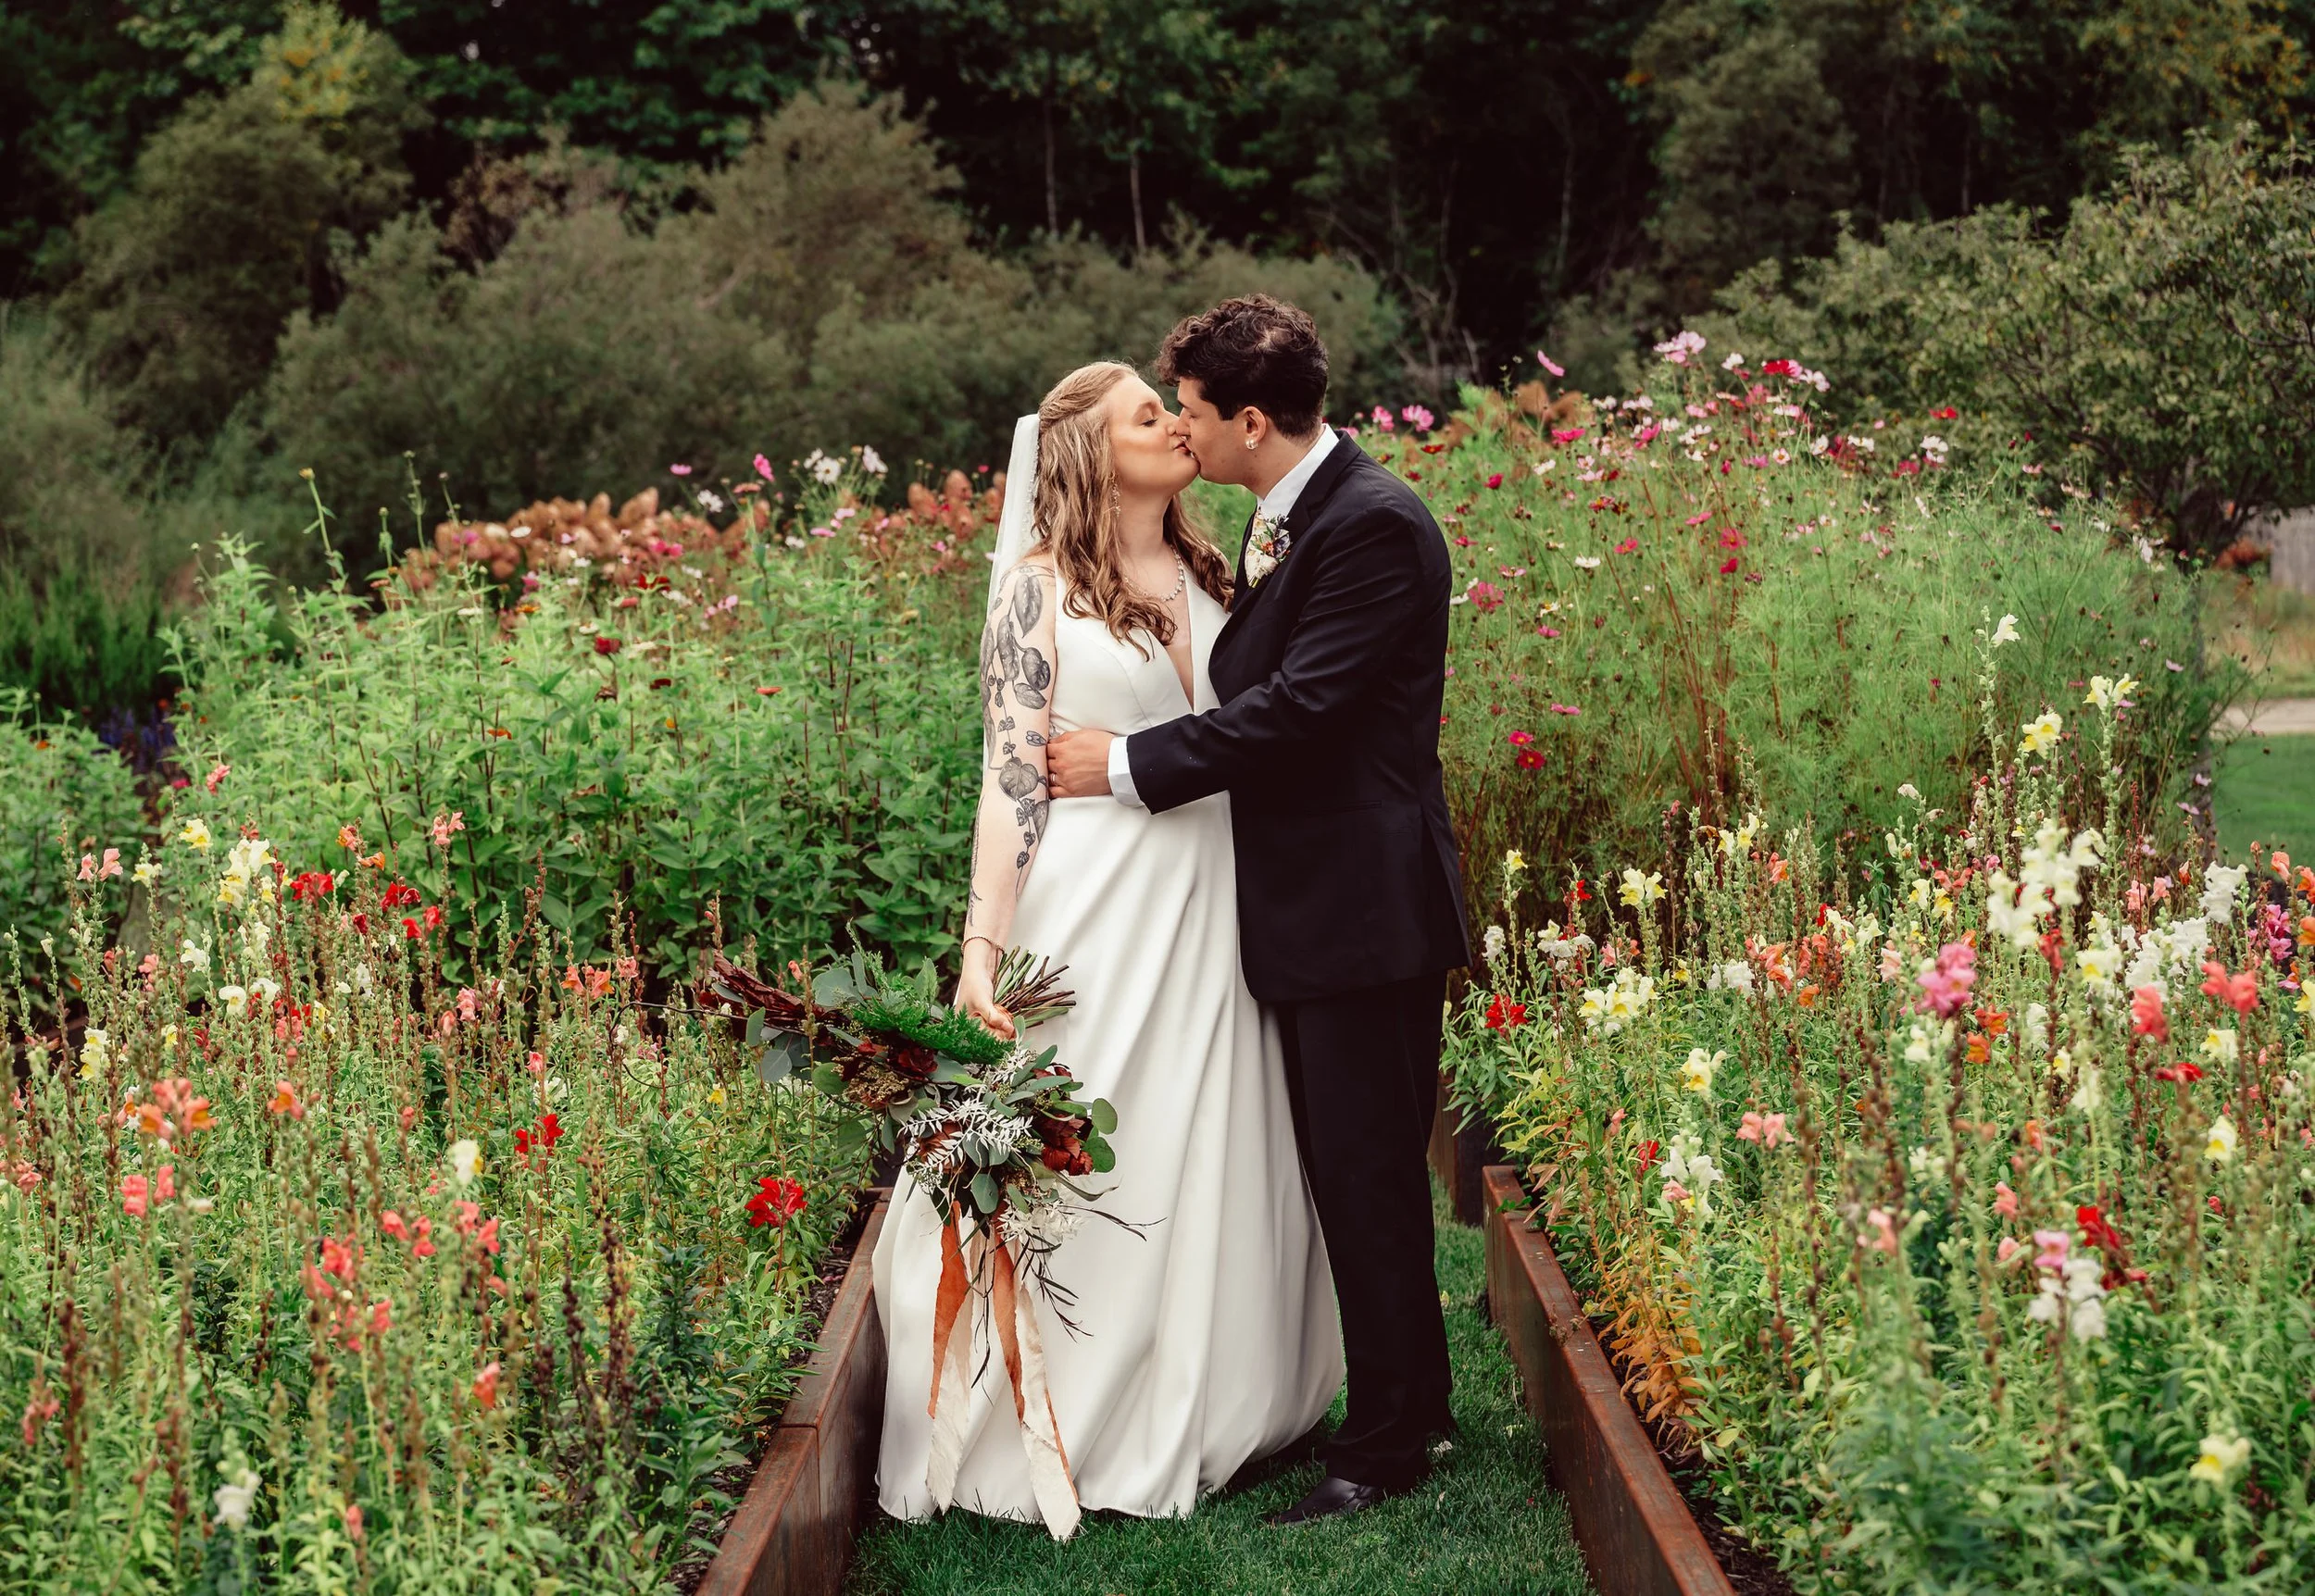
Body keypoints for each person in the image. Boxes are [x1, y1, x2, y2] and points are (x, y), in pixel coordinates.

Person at [870, 360, 1343, 1533]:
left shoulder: (1212, 565)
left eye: (1172, 409)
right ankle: (1074, 1398)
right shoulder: (1035, 592)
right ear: (1088, 453)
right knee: (1102, 1131)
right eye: (1149, 414)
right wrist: (981, 945)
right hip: (1100, 901)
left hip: (1222, 894)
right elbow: (1011, 774)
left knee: (1210, 1131)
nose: (1176, 425)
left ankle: (1225, 1386)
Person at [1046, 295, 1470, 1525]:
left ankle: (1386, 1448)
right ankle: (1415, 1409)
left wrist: (1122, 768)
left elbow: (1303, 712)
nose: (1180, 429)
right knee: (1355, 1170)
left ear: (1246, 420)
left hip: (1364, 907)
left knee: (1368, 1172)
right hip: (1319, 907)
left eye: (1186, 410)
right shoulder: (1295, 518)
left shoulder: (1373, 526)